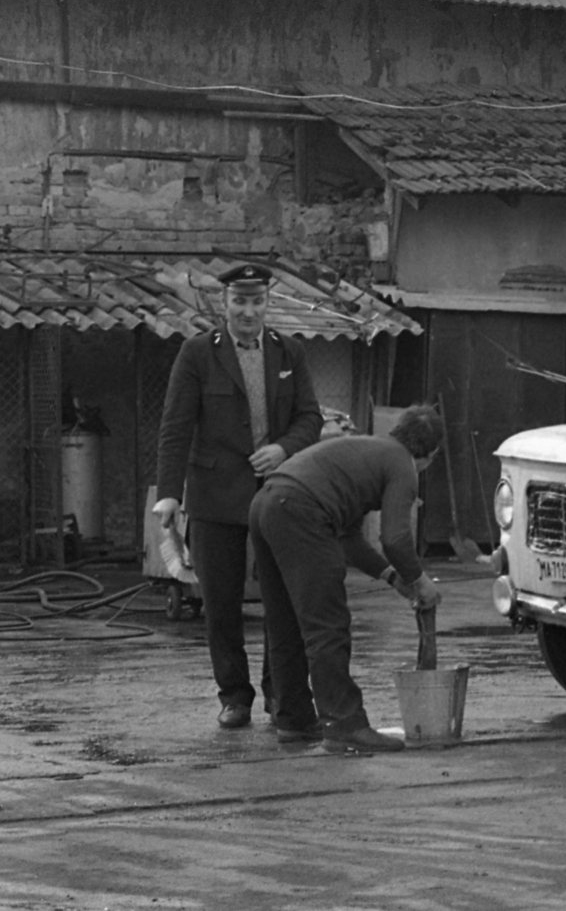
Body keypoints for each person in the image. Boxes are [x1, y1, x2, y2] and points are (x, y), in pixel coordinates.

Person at [154, 262, 323, 730]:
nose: (248, 311)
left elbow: (310, 418)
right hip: (214, 495)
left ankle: (279, 691)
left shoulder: (290, 353)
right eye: (239, 302)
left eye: (257, 301)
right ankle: (234, 696)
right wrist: (170, 495)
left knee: (280, 600)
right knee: (220, 602)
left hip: (278, 492)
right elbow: (175, 427)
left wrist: (283, 448)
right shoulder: (197, 354)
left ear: (267, 303)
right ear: (224, 303)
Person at [248, 404, 445, 753]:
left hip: (266, 503)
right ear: (429, 455)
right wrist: (419, 581)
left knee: (285, 623)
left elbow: (347, 539)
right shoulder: (402, 464)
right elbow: (396, 539)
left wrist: (390, 576)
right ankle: (344, 724)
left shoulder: (366, 450)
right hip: (301, 510)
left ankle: (293, 718)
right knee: (328, 625)